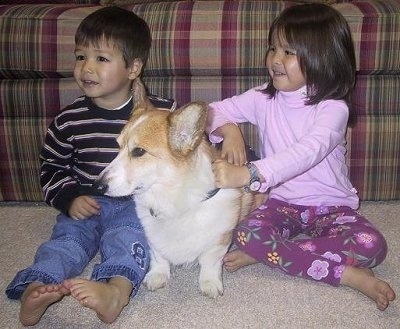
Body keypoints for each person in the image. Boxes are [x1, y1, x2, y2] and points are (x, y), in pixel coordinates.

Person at [206, 3, 396, 311]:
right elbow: (210, 112)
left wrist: (251, 173)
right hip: (281, 204)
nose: (275, 60)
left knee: (372, 246)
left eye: (289, 52)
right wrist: (230, 130)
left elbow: (308, 151)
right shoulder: (261, 98)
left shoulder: (333, 108)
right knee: (245, 234)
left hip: (330, 206)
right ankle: (338, 271)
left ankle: (279, 255)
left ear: (322, 57)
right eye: (273, 49)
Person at [5, 6, 174, 325]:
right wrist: (69, 199)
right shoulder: (68, 120)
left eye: (101, 58)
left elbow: (189, 142)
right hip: (86, 203)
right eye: (80, 57)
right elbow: (51, 167)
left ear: (133, 67)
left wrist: (229, 132)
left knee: (129, 237)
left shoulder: (159, 115)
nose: (87, 68)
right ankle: (37, 286)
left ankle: (116, 292)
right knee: (66, 242)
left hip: (133, 204)